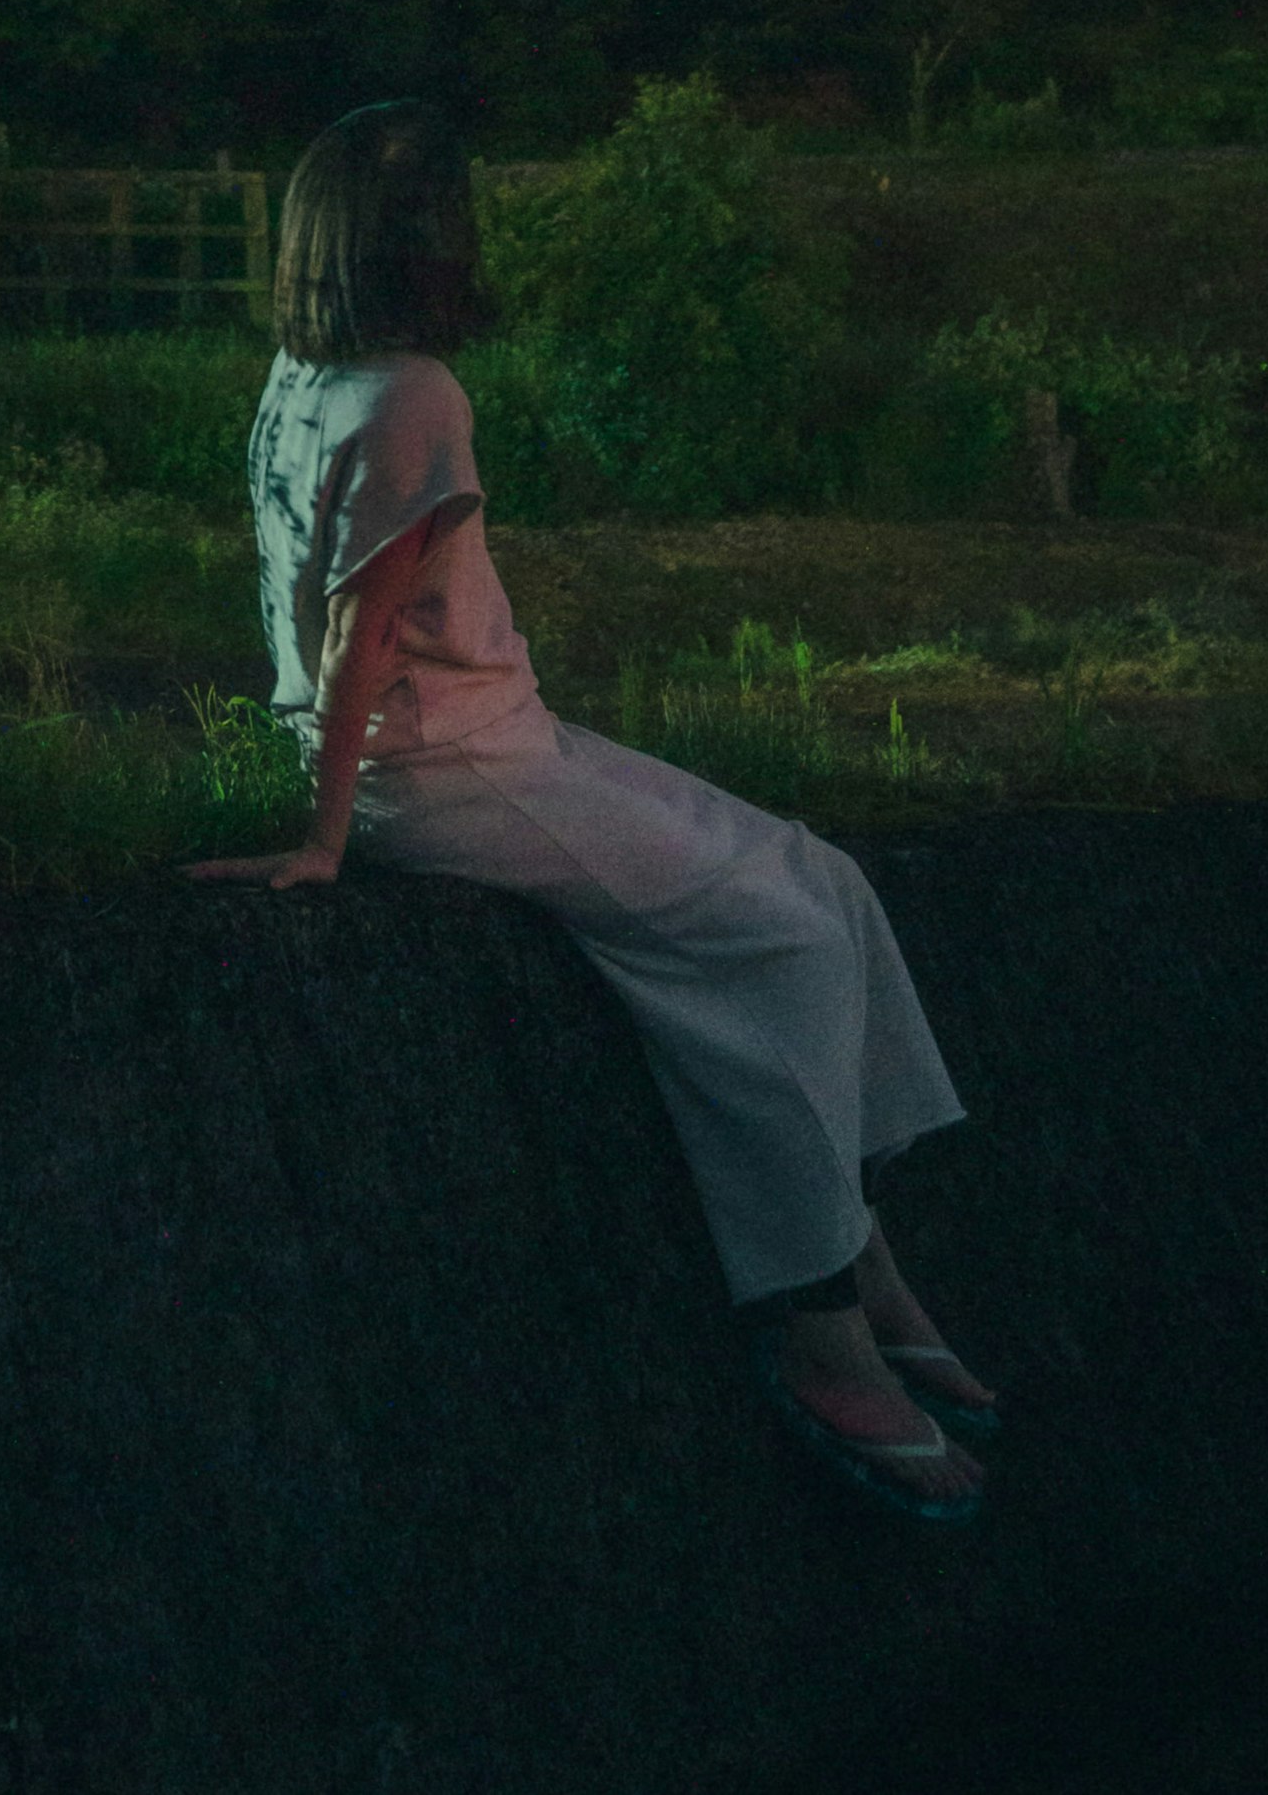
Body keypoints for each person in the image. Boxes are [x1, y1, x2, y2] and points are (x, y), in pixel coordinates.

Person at [189, 99, 999, 1529]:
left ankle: (857, 1241)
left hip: (494, 729)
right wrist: (326, 835)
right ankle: (816, 1313)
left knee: (829, 878)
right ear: (415, 246)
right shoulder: (412, 394)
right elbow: (348, 641)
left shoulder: (302, 376)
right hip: (441, 768)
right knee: (784, 944)